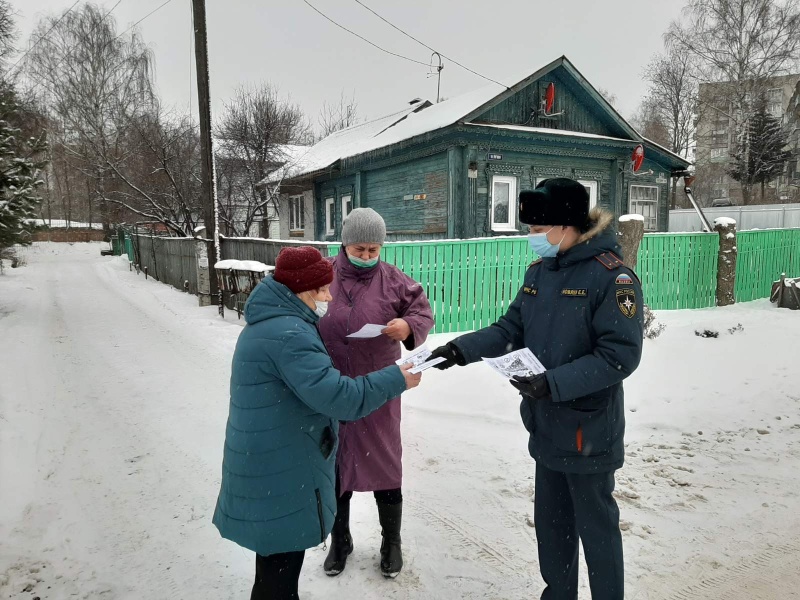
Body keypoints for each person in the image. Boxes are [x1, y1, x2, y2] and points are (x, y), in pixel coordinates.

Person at [430, 178, 644, 600]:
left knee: (596, 532)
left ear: (566, 225)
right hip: (545, 425)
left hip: (588, 430)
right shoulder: (540, 272)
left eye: (536, 229)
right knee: (552, 528)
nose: (532, 238)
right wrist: (459, 349)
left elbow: (619, 355)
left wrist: (554, 382)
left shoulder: (612, 278)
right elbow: (511, 329)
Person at [212, 246, 422, 600]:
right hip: (280, 471)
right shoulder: (290, 335)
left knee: (273, 570)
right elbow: (339, 398)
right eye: (323, 290)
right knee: (278, 576)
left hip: (268, 460)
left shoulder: (273, 322)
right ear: (304, 290)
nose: (329, 297)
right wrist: (395, 379)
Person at [318, 208, 434, 579]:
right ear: (344, 243)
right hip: (331, 384)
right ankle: (341, 540)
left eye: (374, 250)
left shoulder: (394, 280)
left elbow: (421, 311)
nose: (367, 256)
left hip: (380, 386)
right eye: (360, 248)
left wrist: (408, 325)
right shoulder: (324, 276)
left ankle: (391, 541)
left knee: (384, 462)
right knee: (335, 465)